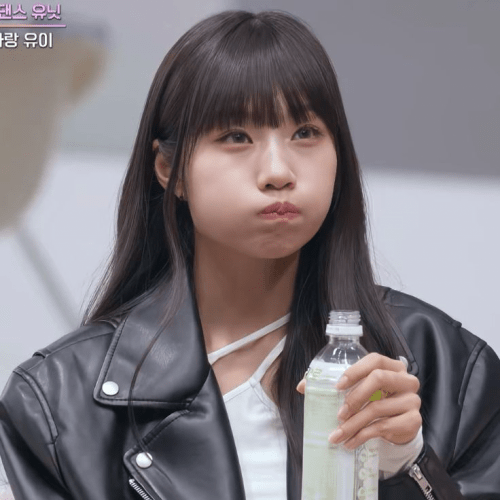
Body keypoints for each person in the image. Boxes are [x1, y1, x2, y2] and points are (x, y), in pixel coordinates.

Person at [0, 9, 498, 500]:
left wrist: (407, 468)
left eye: (305, 133)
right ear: (169, 169)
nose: (278, 172)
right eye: (236, 137)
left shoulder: (446, 366)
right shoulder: (57, 400)